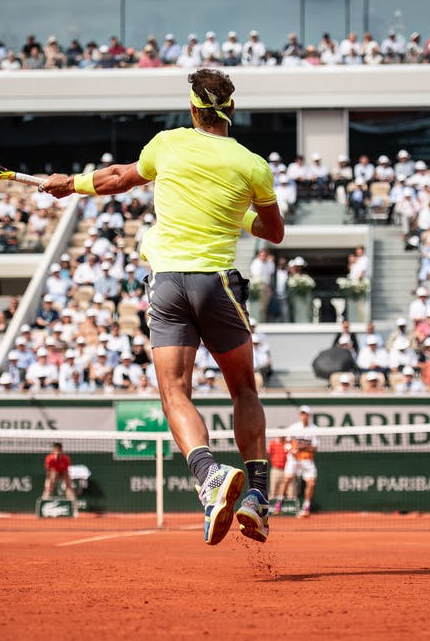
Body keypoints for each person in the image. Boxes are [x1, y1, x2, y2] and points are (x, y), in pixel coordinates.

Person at [41, 69, 284, 545]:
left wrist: (70, 184)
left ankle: (210, 476)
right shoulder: (252, 164)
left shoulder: (167, 143)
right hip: (218, 285)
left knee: (175, 392)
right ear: (230, 111)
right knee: (243, 390)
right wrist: (238, 212)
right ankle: (256, 496)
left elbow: (115, 178)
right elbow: (274, 232)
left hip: (169, 284)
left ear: (193, 109)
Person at [273, 406, 318, 518]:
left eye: (306, 414)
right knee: (287, 479)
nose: (304, 416)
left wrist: (301, 447)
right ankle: (279, 503)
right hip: (293, 459)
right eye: (302, 414)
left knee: (311, 482)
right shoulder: (294, 427)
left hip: (307, 460)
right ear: (300, 415)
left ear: (309, 415)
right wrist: (289, 448)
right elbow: (287, 442)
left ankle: (306, 507)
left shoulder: (314, 429)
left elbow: (314, 448)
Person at [42, 442, 78, 516]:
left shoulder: (66, 458)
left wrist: (67, 483)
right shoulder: (49, 458)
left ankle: (74, 509)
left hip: (63, 472)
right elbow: (48, 471)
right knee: (48, 487)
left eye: (59, 450)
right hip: (53, 473)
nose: (57, 451)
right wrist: (50, 481)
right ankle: (43, 506)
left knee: (69, 488)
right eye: (56, 450)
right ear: (53, 450)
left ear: (62, 450)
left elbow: (66, 471)